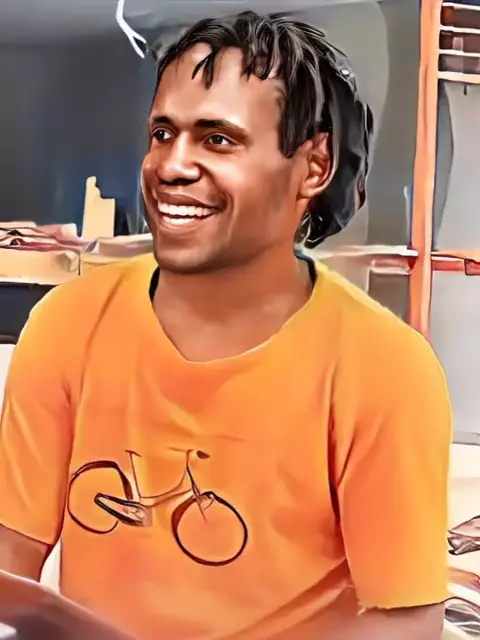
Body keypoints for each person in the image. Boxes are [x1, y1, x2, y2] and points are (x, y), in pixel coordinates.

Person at [0, 10, 451, 640]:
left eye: (217, 139)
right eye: (163, 134)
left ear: (314, 165)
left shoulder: (382, 369)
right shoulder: (68, 326)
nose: (172, 166)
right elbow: (10, 556)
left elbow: (406, 621)